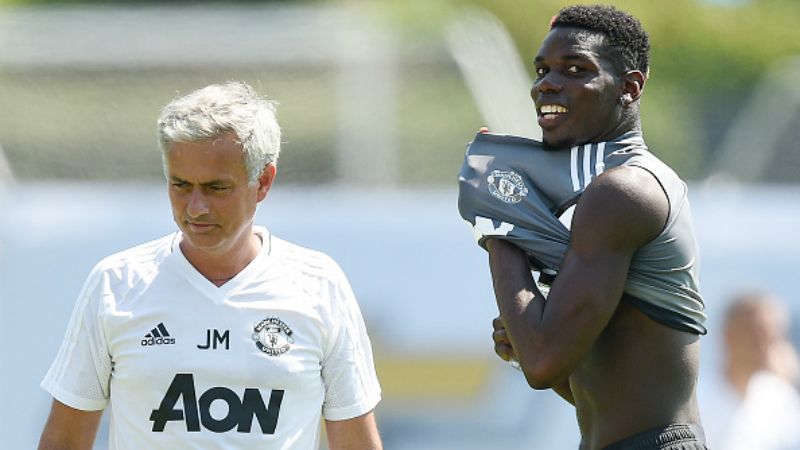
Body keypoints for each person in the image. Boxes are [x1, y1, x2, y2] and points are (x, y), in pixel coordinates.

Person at [38, 81, 383, 450]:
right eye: (181, 185)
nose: (195, 207)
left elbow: (355, 443)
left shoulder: (318, 285)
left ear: (263, 181)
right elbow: (65, 440)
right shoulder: (116, 283)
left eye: (216, 188)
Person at [458, 5, 708, 449]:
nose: (546, 84)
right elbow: (592, 390)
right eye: (541, 70)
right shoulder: (607, 189)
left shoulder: (625, 190)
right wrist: (530, 335)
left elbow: (542, 364)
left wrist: (500, 224)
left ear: (629, 88)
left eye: (575, 69)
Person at [701, 291, 800, 449]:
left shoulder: (780, 397)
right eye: (756, 334)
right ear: (728, 337)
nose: (765, 345)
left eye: (773, 335)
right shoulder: (696, 399)